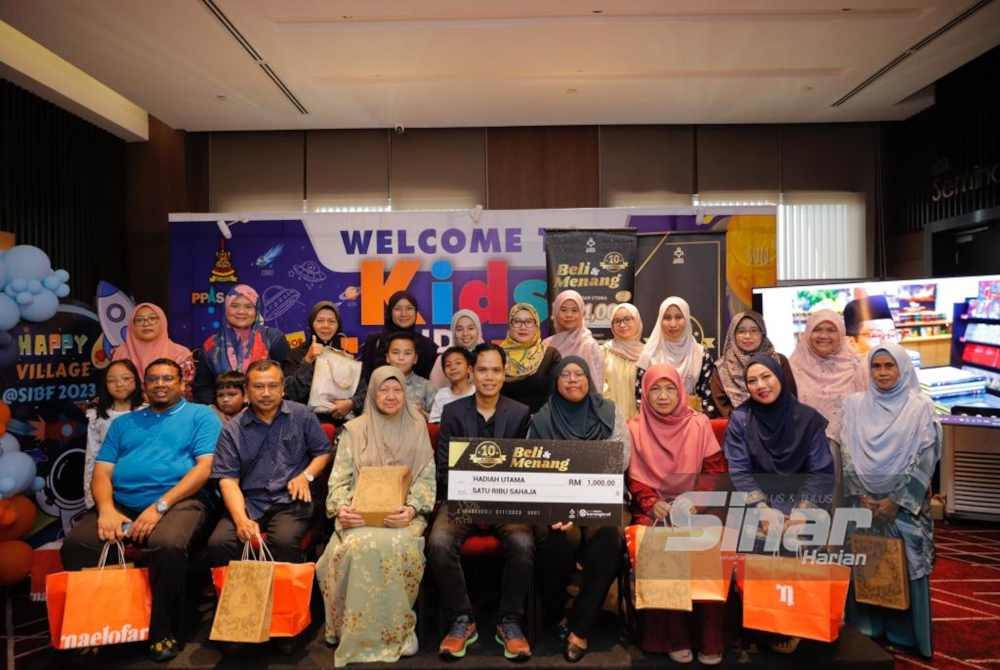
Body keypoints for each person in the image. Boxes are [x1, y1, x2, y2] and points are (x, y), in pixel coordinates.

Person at [61, 359, 222, 662]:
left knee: (167, 543)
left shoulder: (201, 415)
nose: (160, 384)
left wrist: (159, 507)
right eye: (153, 379)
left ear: (182, 383)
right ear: (144, 386)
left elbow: (204, 468)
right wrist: (106, 509)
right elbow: (102, 472)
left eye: (168, 378)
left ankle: (163, 629)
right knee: (78, 543)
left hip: (179, 501)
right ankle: (96, 625)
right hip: (122, 502)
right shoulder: (124, 423)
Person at [316, 366, 436, 665]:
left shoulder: (417, 426)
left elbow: (426, 477)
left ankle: (397, 633)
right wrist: (341, 508)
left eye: (397, 390)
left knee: (396, 546)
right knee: (353, 547)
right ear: (372, 393)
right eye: (384, 390)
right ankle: (349, 630)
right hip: (358, 515)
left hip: (403, 515)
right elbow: (339, 479)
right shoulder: (354, 430)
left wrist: (411, 509)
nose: (391, 396)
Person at [428, 343, 534, 661]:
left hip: (505, 499)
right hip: (461, 499)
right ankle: (462, 619)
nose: (489, 377)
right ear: (472, 373)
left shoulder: (519, 413)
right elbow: (444, 463)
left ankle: (510, 621)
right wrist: (471, 490)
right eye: (483, 370)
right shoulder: (453, 412)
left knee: (523, 543)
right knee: (438, 542)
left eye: (496, 371)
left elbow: (524, 466)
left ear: (505, 374)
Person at [722, 354, 833, 654]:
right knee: (755, 543)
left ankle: (800, 624)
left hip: (801, 503)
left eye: (766, 377)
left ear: (780, 377)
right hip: (758, 502)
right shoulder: (742, 419)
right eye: (752, 381)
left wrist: (802, 510)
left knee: (805, 536)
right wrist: (762, 508)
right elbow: (739, 470)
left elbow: (821, 470)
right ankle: (761, 627)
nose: (760, 385)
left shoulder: (808, 419)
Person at [840, 343, 940, 659]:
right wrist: (861, 494)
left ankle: (907, 636)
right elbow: (845, 451)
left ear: (902, 369)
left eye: (889, 366)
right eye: (876, 367)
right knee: (865, 563)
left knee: (907, 566)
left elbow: (926, 457)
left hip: (904, 508)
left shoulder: (920, 407)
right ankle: (869, 632)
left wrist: (896, 501)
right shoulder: (854, 405)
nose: (882, 373)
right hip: (863, 503)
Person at [529, 356, 630, 663]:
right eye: (565, 375)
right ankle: (557, 613)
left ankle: (580, 627)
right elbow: (533, 465)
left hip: (599, 497)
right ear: (555, 382)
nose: (573, 380)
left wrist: (585, 494)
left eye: (579, 374)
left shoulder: (610, 413)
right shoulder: (541, 419)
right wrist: (558, 505)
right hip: (555, 502)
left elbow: (620, 460)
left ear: (589, 379)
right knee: (562, 540)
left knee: (610, 536)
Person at [626, 364, 727, 665]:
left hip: (697, 505)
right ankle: (673, 637)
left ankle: (709, 638)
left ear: (681, 391)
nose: (662, 396)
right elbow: (634, 478)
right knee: (659, 542)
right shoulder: (634, 427)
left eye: (670, 388)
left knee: (707, 543)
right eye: (655, 389)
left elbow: (714, 472)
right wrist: (650, 501)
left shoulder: (699, 424)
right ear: (644, 393)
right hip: (655, 508)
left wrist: (694, 501)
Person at [207, 360, 332, 568]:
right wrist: (241, 520)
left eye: (272, 386)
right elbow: (228, 480)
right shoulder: (232, 429)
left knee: (283, 542)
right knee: (220, 543)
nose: (266, 393)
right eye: (258, 386)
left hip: (290, 502)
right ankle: (238, 599)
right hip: (249, 501)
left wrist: (306, 476)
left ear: (283, 388)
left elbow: (322, 453)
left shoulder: (301, 415)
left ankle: (284, 599)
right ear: (247, 391)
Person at [193, 285, 289, 404]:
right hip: (224, 415)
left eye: (248, 306)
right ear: (226, 309)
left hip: (267, 412)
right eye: (234, 306)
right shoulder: (211, 345)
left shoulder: (273, 338)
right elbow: (203, 388)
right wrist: (218, 411)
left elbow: (286, 380)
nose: (241, 312)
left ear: (256, 310)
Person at [789, 310, 867, 443]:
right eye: (817, 329)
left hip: (852, 448)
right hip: (805, 448)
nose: (824, 335)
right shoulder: (792, 368)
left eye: (831, 330)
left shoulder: (858, 367)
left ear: (841, 333)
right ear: (808, 333)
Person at [637, 297, 716, 415]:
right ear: (660, 320)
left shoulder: (700, 354)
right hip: (656, 422)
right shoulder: (648, 354)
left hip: (690, 420)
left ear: (687, 319)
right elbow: (640, 398)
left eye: (679, 317)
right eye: (667, 318)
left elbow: (707, 398)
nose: (673, 324)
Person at [711, 311, 797, 418]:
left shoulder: (778, 361)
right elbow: (722, 405)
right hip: (738, 427)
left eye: (754, 330)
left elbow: (790, 397)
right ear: (733, 335)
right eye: (741, 331)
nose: (747, 336)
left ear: (763, 333)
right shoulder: (722, 367)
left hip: (779, 424)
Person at [84, 360, 145, 509]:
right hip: (108, 486)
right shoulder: (97, 416)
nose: (119, 384)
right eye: (112, 380)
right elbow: (92, 456)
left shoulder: (147, 412)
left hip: (142, 485)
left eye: (126, 378)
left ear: (136, 380)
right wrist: (90, 495)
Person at [283, 301, 353, 422]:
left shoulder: (345, 355)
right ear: (312, 324)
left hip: (338, 423)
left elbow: (362, 393)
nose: (326, 325)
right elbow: (290, 393)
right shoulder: (295, 354)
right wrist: (307, 361)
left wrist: (351, 403)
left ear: (338, 326)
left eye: (331, 321)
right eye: (320, 321)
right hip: (302, 424)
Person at [113, 303, 195, 391]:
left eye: (152, 318)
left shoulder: (181, 353)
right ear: (132, 325)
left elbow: (184, 388)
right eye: (139, 320)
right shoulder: (120, 353)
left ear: (162, 322)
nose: (146, 323)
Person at [359, 291, 438, 382]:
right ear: (390, 312)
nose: (404, 314)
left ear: (416, 312)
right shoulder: (374, 342)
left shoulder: (427, 345)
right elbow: (366, 381)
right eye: (398, 309)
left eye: (409, 308)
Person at [352, 331, 436, 416]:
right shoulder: (376, 384)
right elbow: (366, 418)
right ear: (387, 357)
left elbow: (439, 422)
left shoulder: (427, 386)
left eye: (407, 353)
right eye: (395, 352)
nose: (401, 358)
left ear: (415, 358)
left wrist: (422, 413)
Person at [500, 303, 561, 413]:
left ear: (536, 325)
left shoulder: (550, 355)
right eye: (517, 321)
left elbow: (556, 396)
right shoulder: (498, 355)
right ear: (510, 325)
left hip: (540, 422)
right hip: (505, 423)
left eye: (528, 322)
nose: (523, 327)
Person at [544, 290, 605, 393]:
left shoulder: (589, 345)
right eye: (563, 310)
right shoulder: (547, 344)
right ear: (555, 313)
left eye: (574, 310)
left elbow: (596, 385)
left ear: (582, 313)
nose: (569, 315)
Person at [602, 303, 643, 421]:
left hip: (640, 422)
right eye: (617, 321)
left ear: (637, 321)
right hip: (611, 419)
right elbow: (598, 386)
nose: (622, 324)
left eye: (627, 319)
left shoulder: (648, 354)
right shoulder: (604, 351)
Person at [429, 309, 484, 389]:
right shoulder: (444, 360)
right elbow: (434, 393)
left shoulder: (487, 357)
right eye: (459, 329)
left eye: (471, 328)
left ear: (478, 330)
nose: (465, 333)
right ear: (453, 332)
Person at [428, 346, 475, 423]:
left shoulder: (477, 393)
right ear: (444, 372)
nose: (453, 367)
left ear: (469, 369)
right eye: (448, 365)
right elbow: (434, 422)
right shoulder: (441, 394)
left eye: (458, 363)